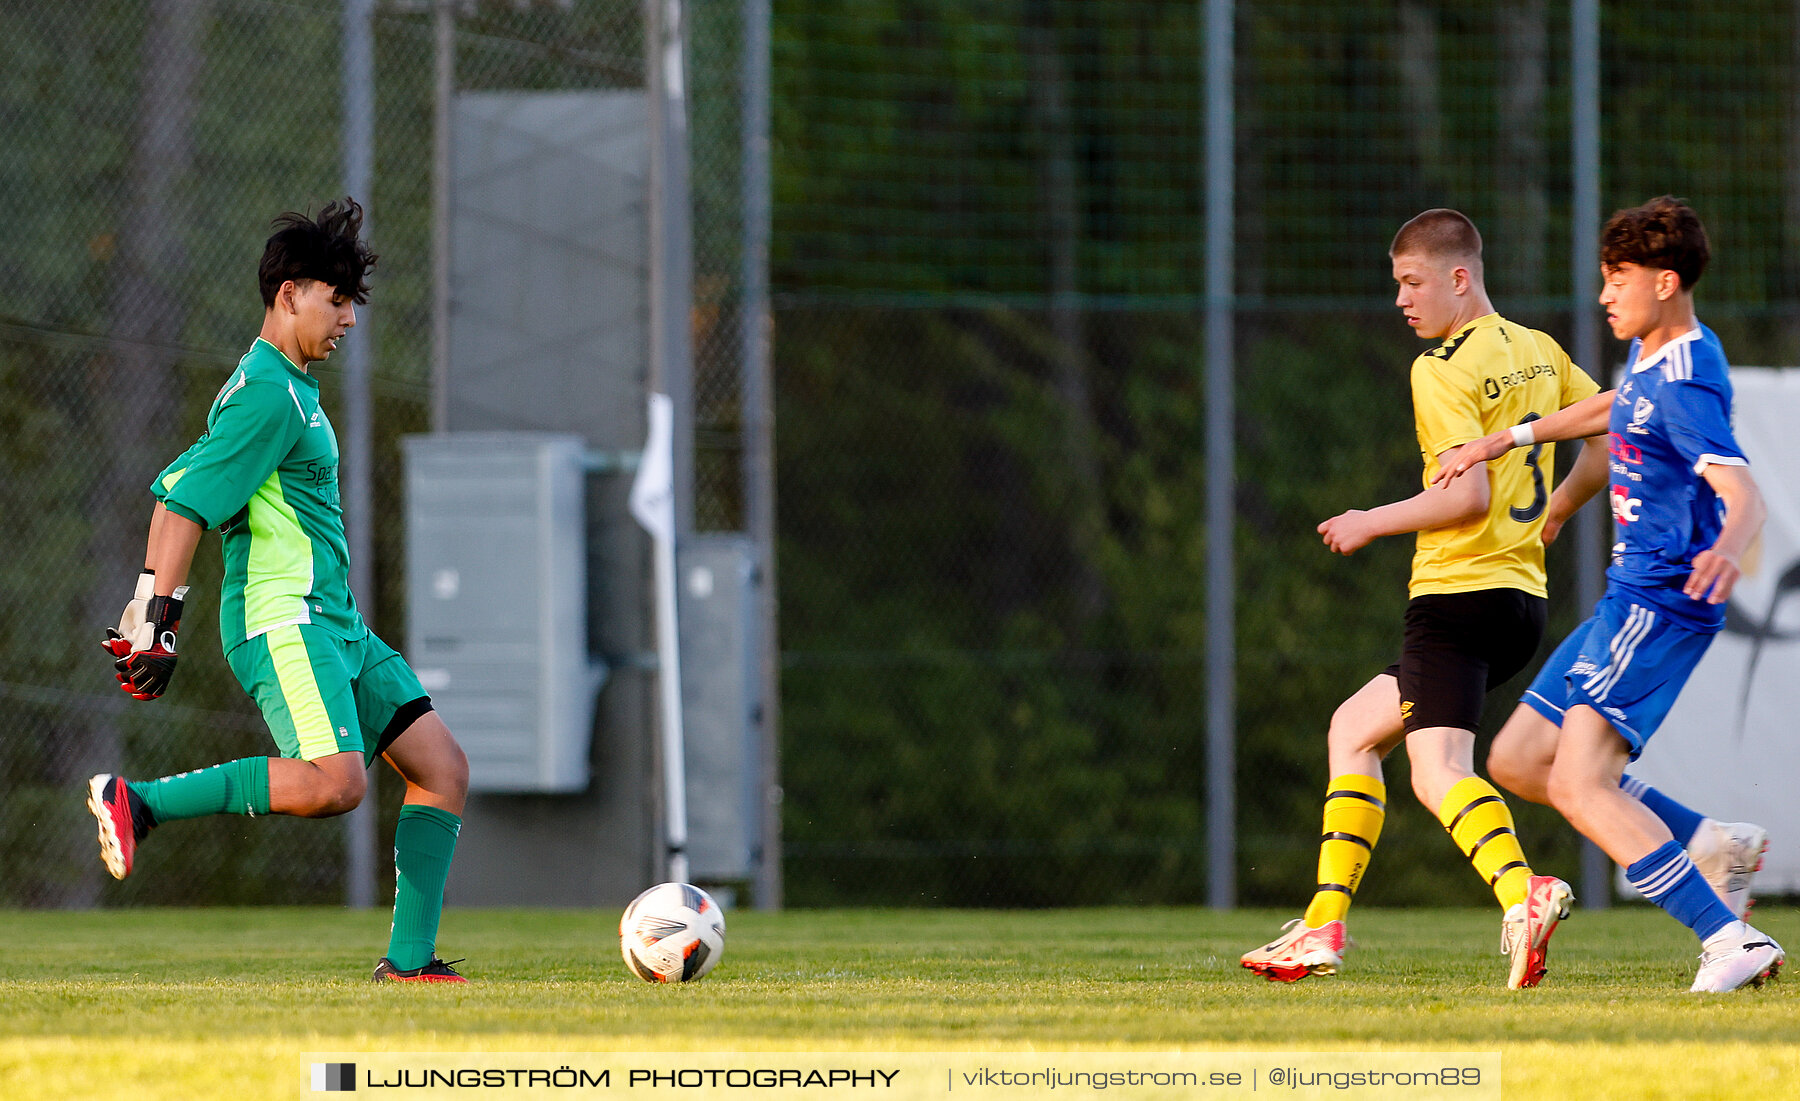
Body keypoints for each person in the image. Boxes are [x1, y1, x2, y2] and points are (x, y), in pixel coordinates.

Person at [86, 199, 472, 984]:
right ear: (290, 292)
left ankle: (408, 967)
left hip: (338, 624)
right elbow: (189, 504)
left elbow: (171, 489)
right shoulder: (267, 392)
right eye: (337, 301)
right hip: (286, 620)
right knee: (339, 782)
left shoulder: (280, 385)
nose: (349, 321)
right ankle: (142, 801)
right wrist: (162, 621)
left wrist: (145, 608)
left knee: (441, 768)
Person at [1241, 208, 1602, 989]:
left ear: (1459, 278)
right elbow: (1607, 431)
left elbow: (1466, 496)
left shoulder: (1440, 367)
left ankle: (1524, 889)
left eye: (1412, 282)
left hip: (1455, 595)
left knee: (1436, 772)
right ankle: (1322, 924)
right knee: (1354, 727)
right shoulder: (1538, 351)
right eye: (1397, 284)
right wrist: (1564, 505)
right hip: (1519, 604)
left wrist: (1373, 520)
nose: (1402, 299)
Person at [1434, 196, 1782, 993]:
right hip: (1629, 597)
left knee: (1576, 781)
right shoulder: (1659, 355)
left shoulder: (1687, 381)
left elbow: (1743, 491)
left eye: (1616, 279)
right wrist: (1510, 440)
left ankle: (1728, 937)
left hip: (1658, 602)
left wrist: (1729, 545)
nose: (1604, 295)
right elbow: (1614, 408)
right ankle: (1711, 843)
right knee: (1519, 759)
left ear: (1664, 282)